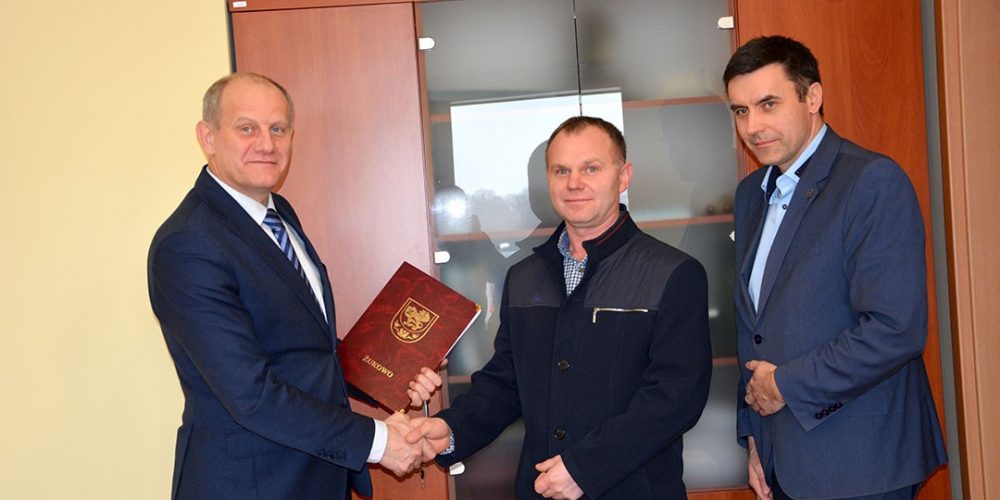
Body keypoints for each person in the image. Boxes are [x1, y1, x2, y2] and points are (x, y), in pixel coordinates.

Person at [147, 72, 440, 499]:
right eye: (247, 128)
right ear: (208, 137)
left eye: (278, 129)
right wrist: (378, 442)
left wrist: (396, 371)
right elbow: (251, 394)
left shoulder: (279, 212)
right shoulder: (188, 244)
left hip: (316, 475)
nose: (266, 144)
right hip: (250, 485)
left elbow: (308, 348)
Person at [407, 116, 712, 499]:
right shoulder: (523, 277)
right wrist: (452, 429)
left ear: (623, 176)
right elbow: (506, 382)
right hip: (541, 488)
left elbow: (676, 397)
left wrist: (584, 468)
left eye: (591, 168)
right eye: (561, 170)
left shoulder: (673, 273)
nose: (574, 183)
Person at [725, 36, 947, 499]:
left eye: (768, 104)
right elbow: (755, 331)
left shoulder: (871, 181)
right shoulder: (750, 195)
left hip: (863, 463)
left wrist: (783, 385)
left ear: (813, 97)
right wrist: (755, 437)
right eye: (741, 111)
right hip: (783, 459)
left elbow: (895, 330)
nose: (753, 126)